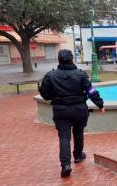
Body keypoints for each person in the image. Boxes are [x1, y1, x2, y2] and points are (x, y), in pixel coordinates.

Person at [39, 49, 105, 177]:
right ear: (72, 59)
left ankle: (65, 165)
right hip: (79, 109)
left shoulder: (50, 76)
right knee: (78, 132)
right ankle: (78, 155)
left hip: (60, 110)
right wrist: (100, 104)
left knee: (64, 137)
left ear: (59, 60)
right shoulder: (81, 75)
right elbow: (91, 91)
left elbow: (45, 95)